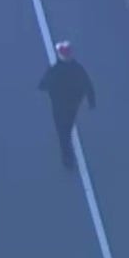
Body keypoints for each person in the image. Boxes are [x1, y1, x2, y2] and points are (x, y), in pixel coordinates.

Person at [38, 40, 96, 169]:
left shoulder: (54, 70)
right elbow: (88, 84)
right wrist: (91, 102)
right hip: (72, 106)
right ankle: (67, 154)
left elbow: (43, 85)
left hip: (58, 107)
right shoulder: (78, 69)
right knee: (67, 128)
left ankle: (67, 157)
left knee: (62, 132)